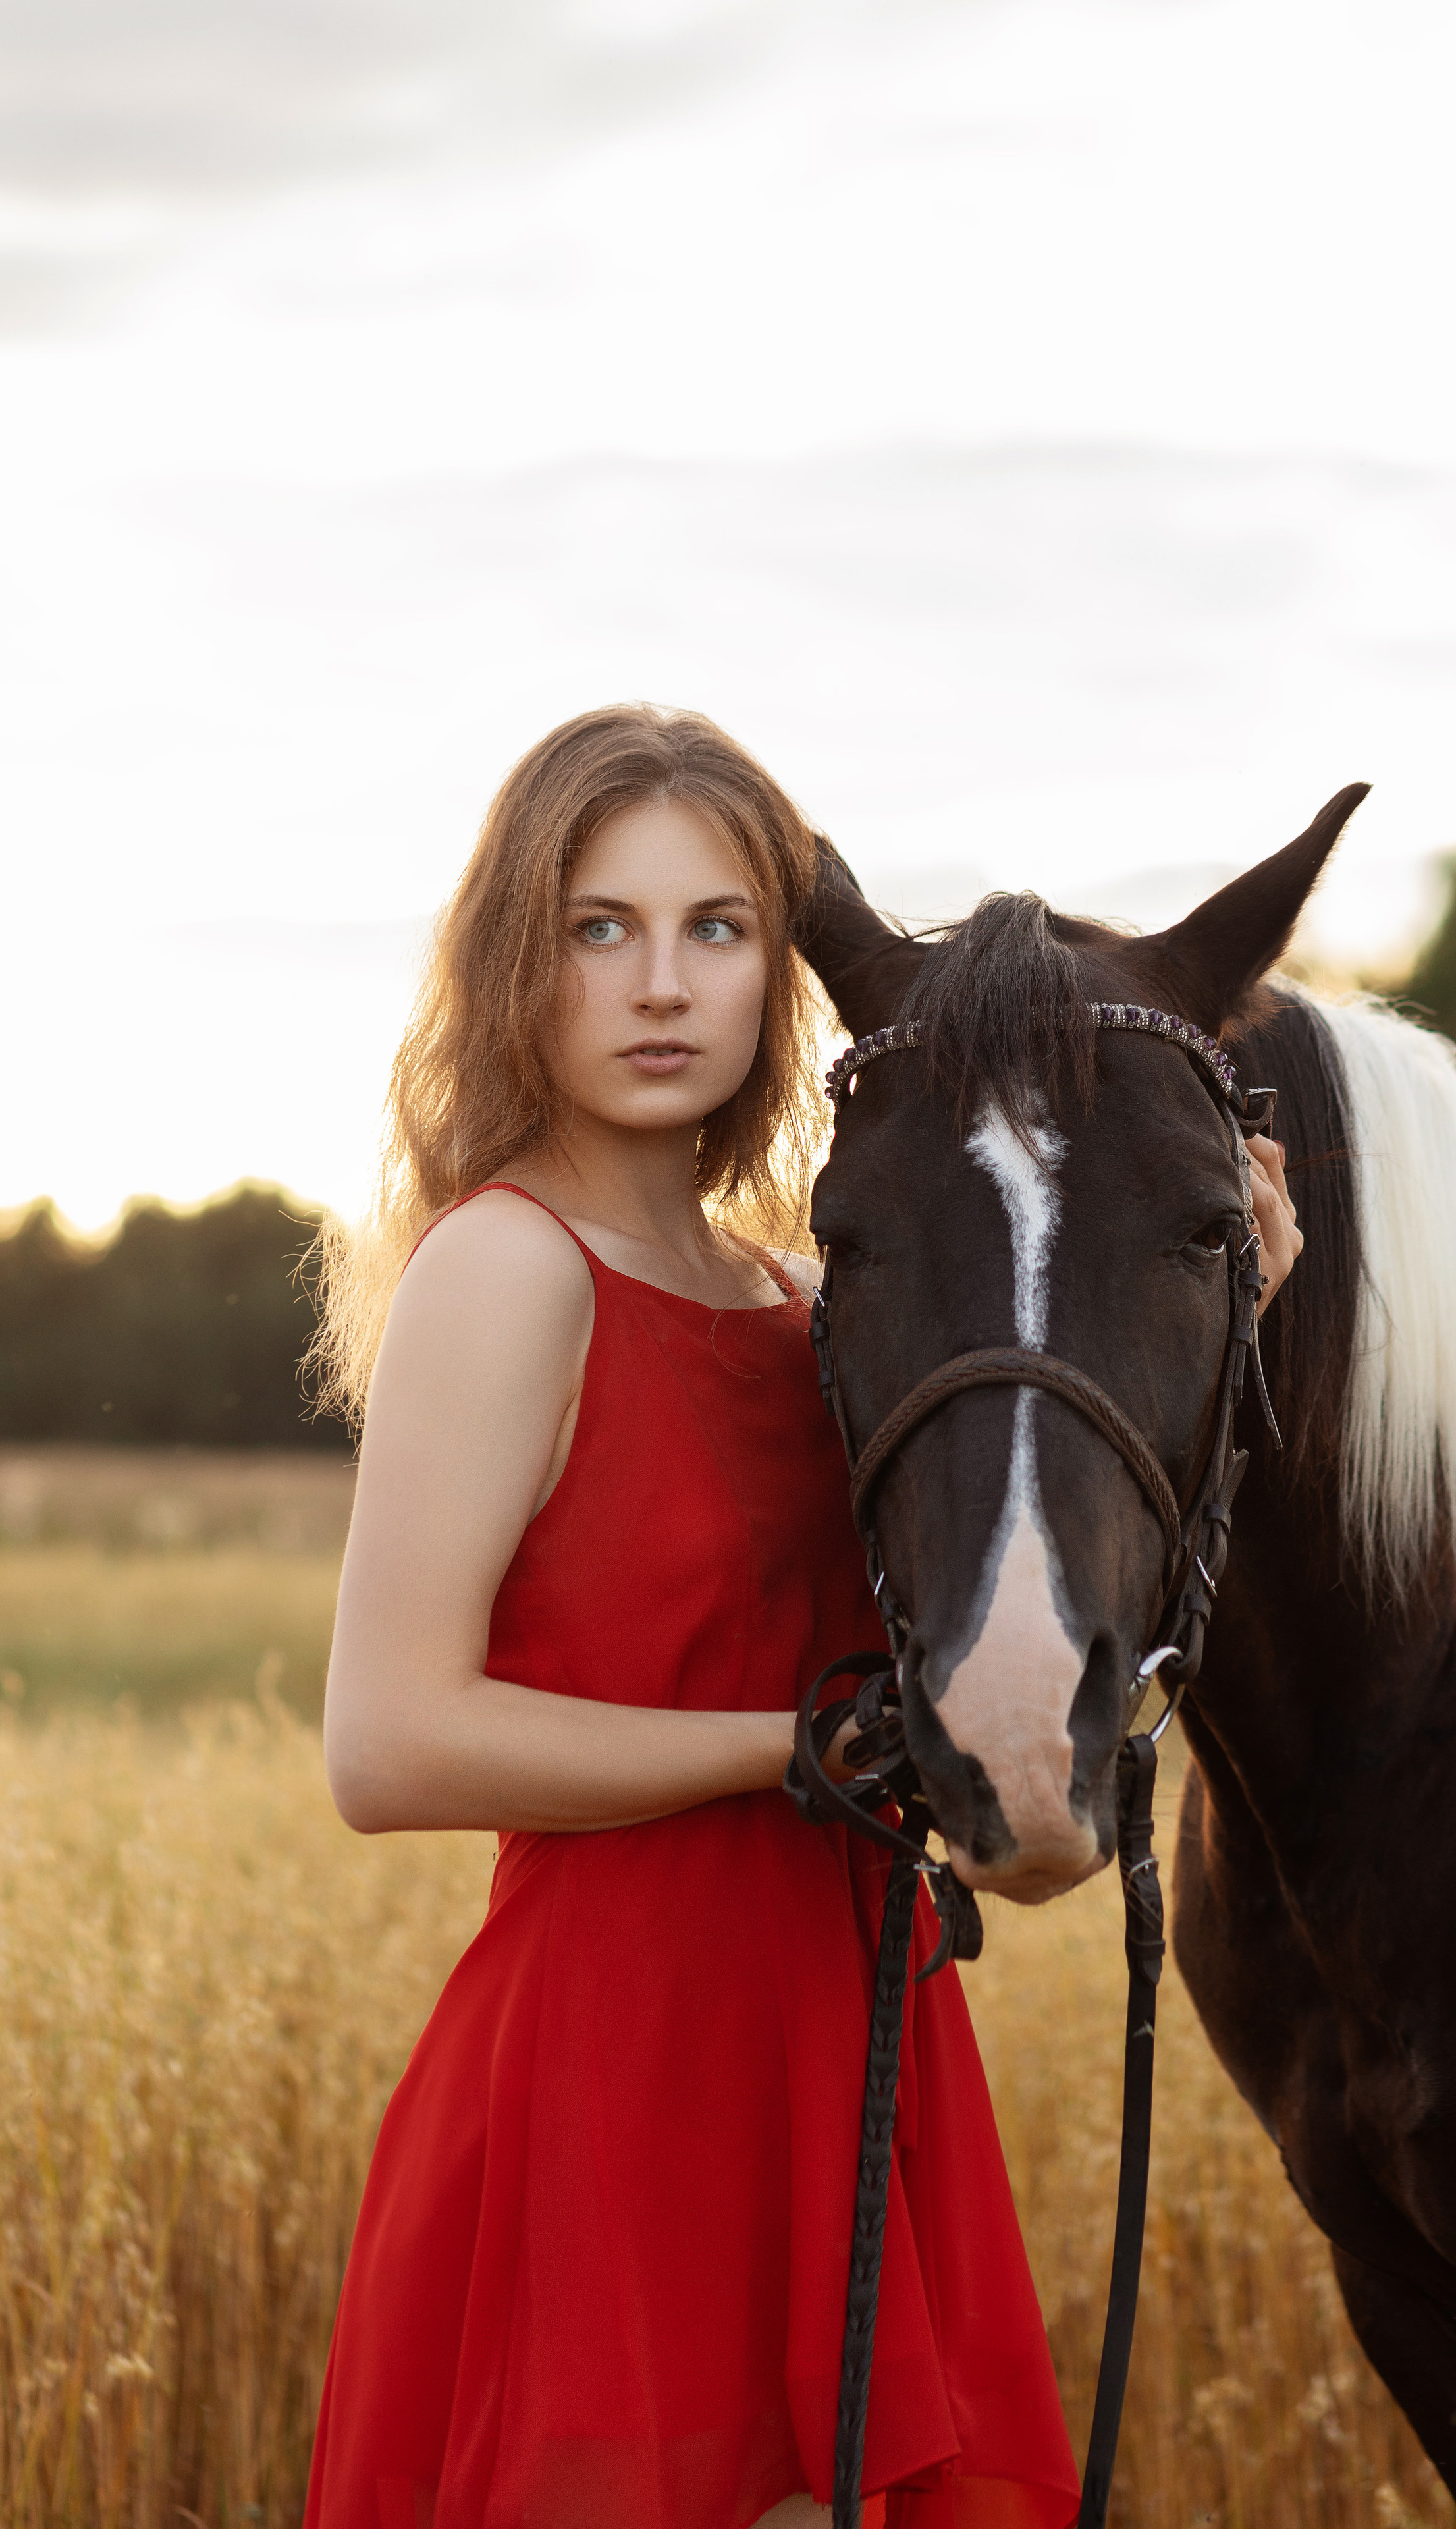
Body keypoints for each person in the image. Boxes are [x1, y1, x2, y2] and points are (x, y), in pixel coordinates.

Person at [302, 704, 1302, 2529]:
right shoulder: (509, 1267)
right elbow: (387, 1741)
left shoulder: (797, 1292)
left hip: (852, 2045)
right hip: (621, 2075)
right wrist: (793, 1751)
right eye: (603, 928)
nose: (662, 984)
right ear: (521, 959)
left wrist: (1232, 1270)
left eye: (718, 930)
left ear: (782, 971)